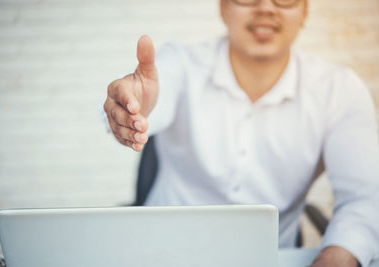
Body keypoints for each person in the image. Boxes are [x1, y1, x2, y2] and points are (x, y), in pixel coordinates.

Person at [102, 0, 379, 266]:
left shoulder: (338, 90)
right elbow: (146, 100)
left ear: (305, 10)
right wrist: (132, 110)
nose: (266, 7)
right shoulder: (181, 63)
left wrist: (337, 256)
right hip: (161, 253)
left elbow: (364, 197)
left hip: (271, 258)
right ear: (223, 7)